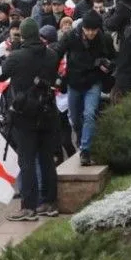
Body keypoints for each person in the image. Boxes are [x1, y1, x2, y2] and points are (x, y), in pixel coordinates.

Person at [0, 18, 61, 221]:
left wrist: (9, 57)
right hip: (48, 112)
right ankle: (49, 203)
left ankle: (28, 207)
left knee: (27, 162)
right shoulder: (51, 54)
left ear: (22, 35)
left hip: (25, 116)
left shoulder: (16, 57)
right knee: (47, 160)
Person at [51, 10, 114, 166]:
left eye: (94, 29)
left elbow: (114, 58)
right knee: (74, 118)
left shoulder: (103, 39)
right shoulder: (71, 37)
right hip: (74, 82)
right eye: (88, 29)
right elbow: (56, 53)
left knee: (90, 114)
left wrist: (107, 65)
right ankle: (81, 138)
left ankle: (85, 149)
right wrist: (55, 76)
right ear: (83, 27)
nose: (91, 33)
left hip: (93, 82)